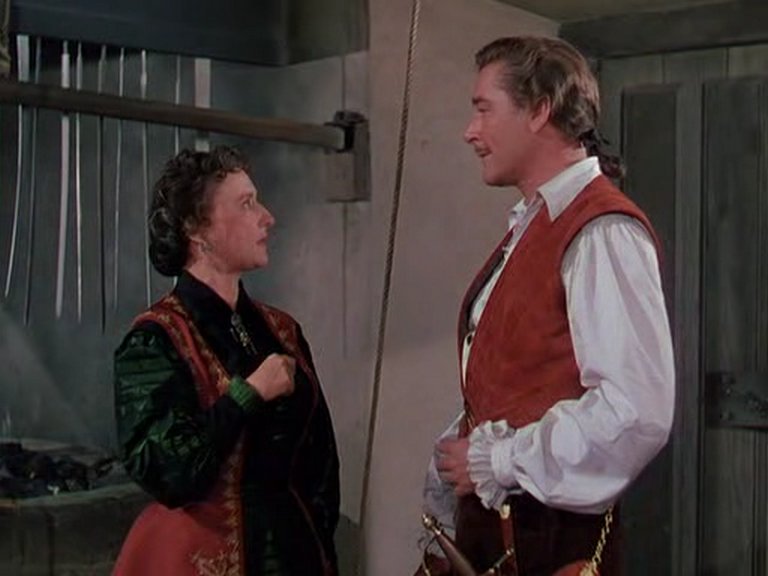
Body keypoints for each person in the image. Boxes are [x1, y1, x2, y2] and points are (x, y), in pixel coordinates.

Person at [416, 36, 675, 575]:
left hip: (550, 543)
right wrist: (463, 444)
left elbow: (634, 411)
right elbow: (526, 380)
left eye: (484, 109)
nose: (470, 131)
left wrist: (496, 459)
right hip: (509, 532)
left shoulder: (601, 229)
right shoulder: (538, 222)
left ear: (539, 110)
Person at [112, 146, 340, 576]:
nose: (267, 217)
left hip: (294, 553)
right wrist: (247, 394)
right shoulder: (155, 340)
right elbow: (171, 473)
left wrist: (318, 545)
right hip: (200, 556)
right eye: (246, 204)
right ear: (198, 229)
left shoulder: (282, 330)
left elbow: (320, 465)